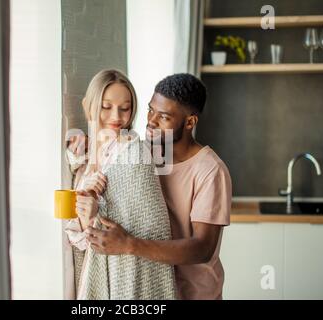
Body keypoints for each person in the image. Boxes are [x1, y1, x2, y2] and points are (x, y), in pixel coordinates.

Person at [84, 73, 232, 300]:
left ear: (190, 122)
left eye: (163, 117)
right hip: (153, 289)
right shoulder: (147, 152)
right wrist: (83, 140)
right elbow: (111, 147)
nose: (151, 121)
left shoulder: (210, 170)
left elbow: (203, 248)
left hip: (194, 294)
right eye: (150, 110)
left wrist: (128, 245)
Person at [64, 69, 177, 300]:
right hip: (94, 272)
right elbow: (82, 239)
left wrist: (97, 213)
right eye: (106, 107)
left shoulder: (135, 154)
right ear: (90, 106)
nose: (116, 116)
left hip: (130, 277)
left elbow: (153, 228)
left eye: (124, 108)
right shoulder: (85, 159)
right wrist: (89, 213)